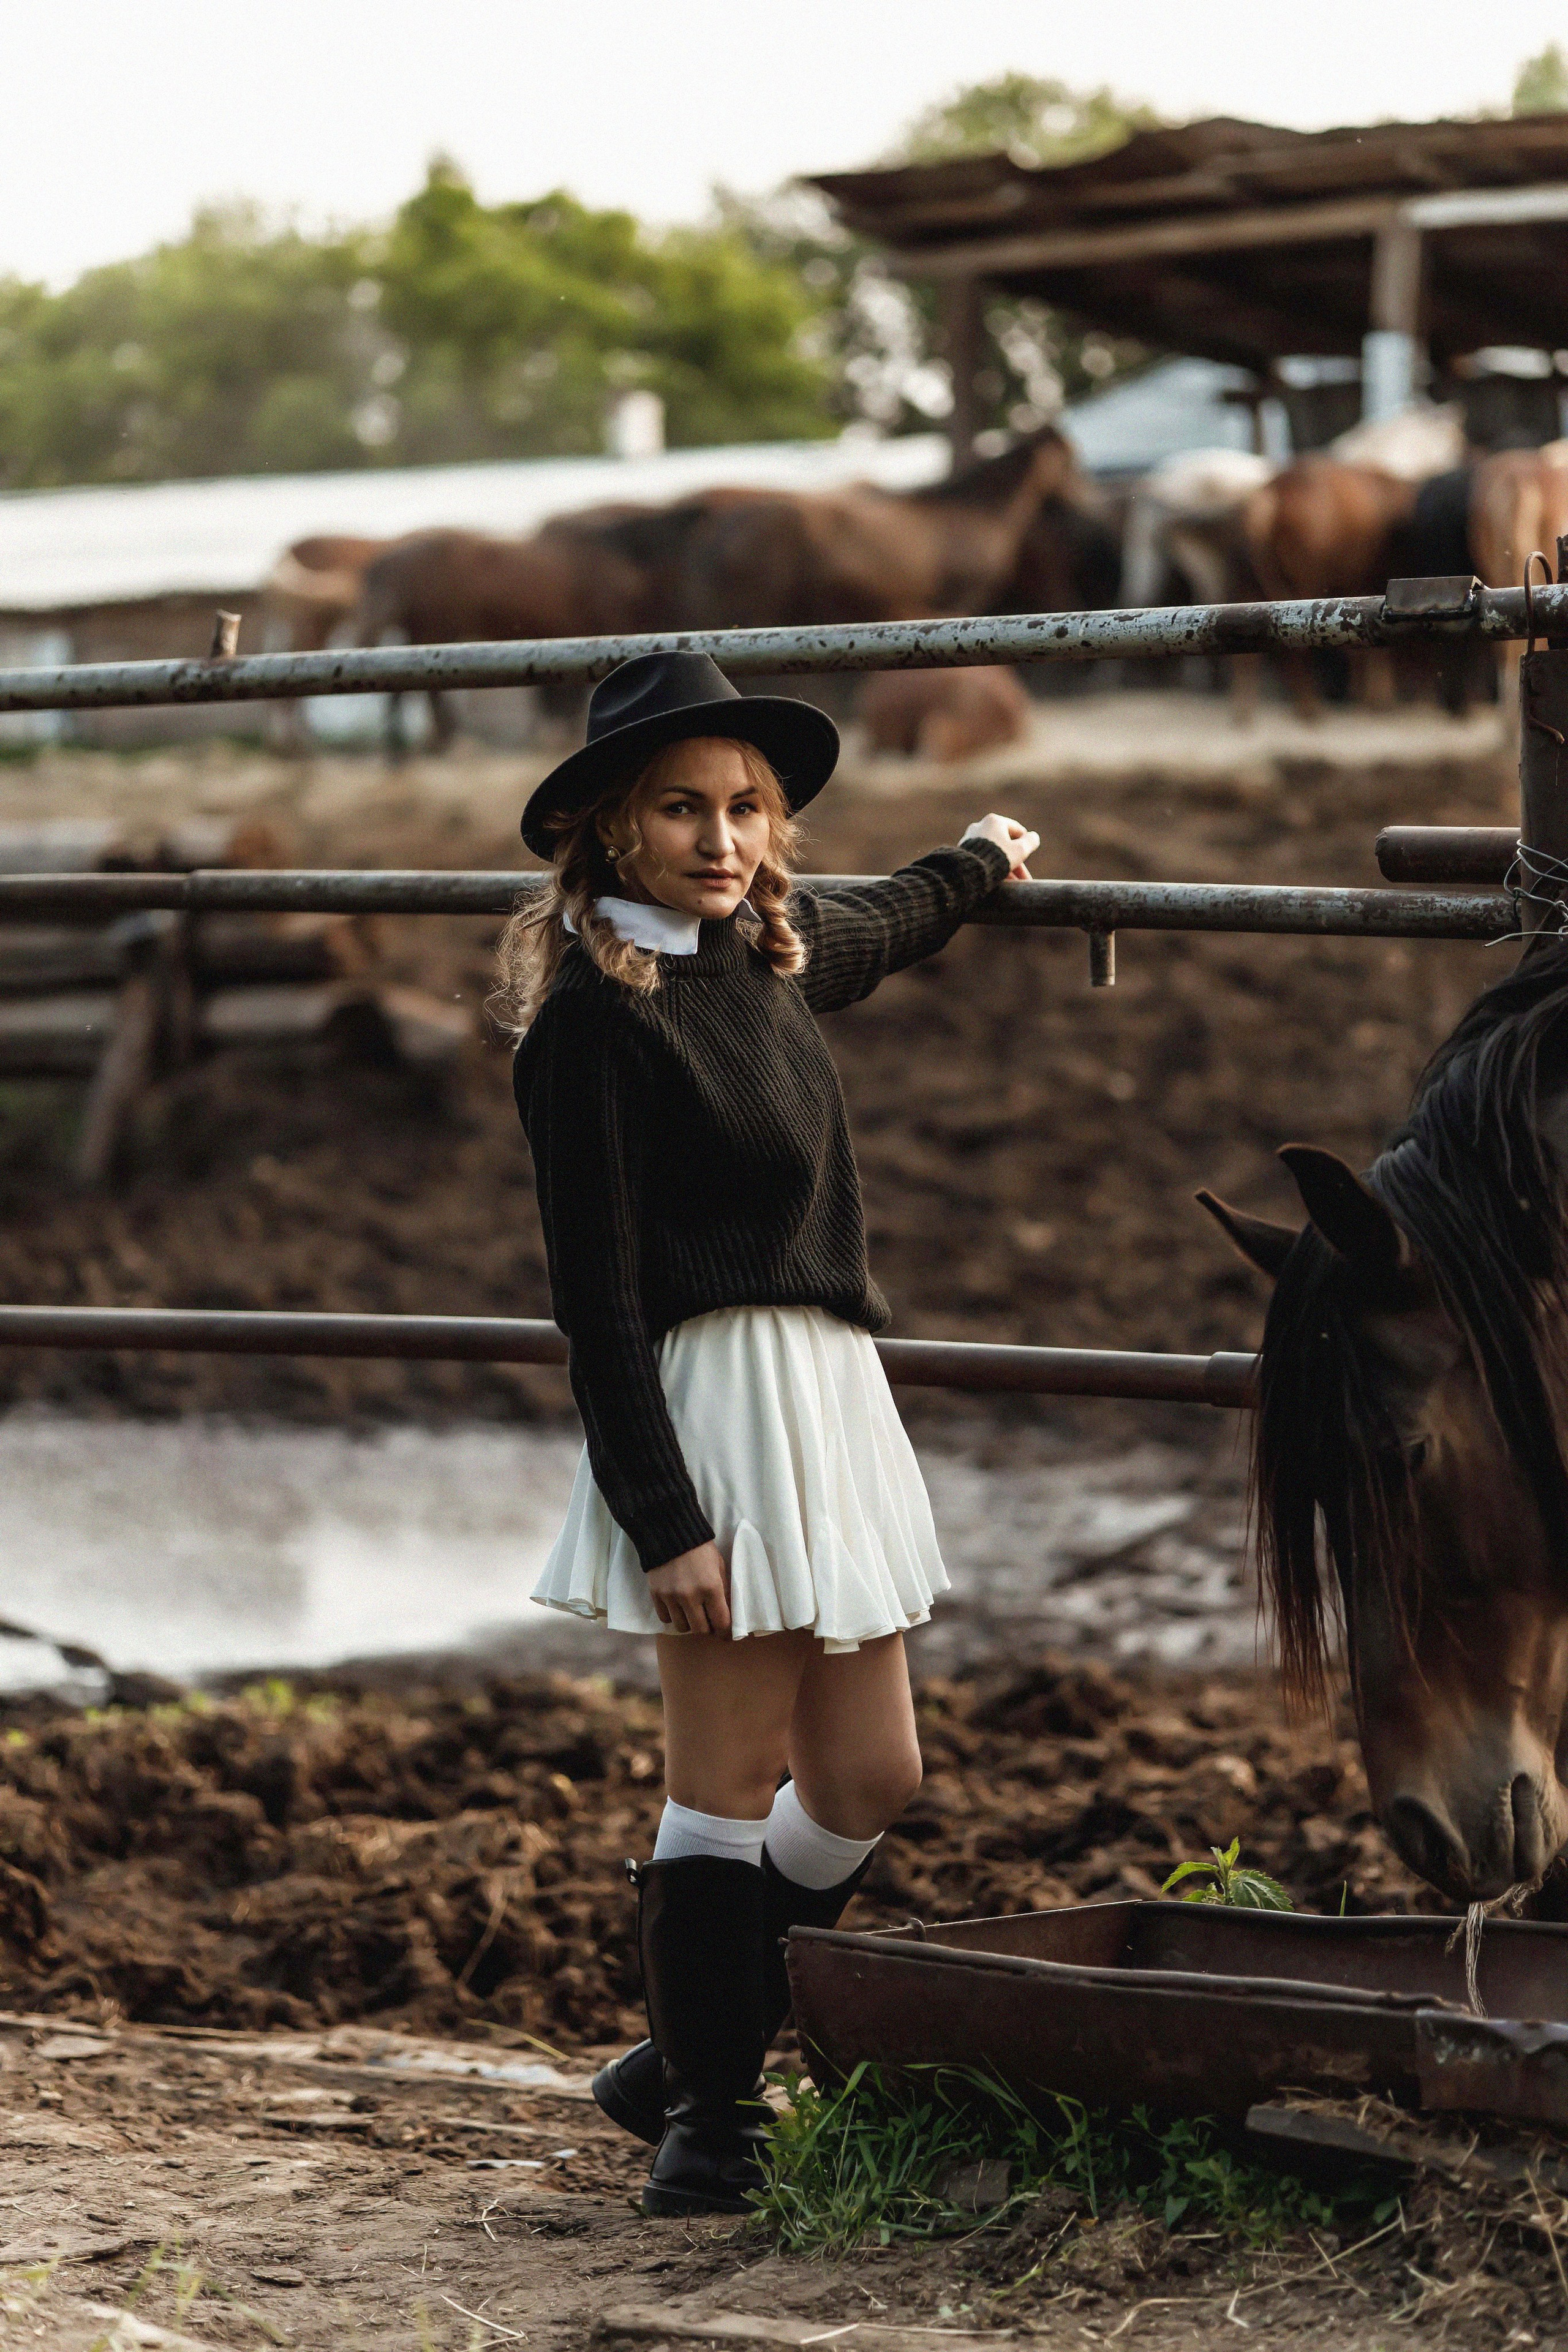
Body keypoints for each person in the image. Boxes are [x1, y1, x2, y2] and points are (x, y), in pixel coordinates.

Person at [497, 650, 1038, 2217]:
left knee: (871, 1775)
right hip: (710, 1409)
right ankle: (709, 2129)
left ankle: (679, 2046)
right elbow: (591, 1308)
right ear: (610, 831)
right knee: (722, 1785)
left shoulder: (773, 955)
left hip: (829, 1395)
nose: (719, 838)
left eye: (745, 809)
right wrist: (665, 1519)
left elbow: (887, 924)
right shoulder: (591, 1029)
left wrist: (979, 865)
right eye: (679, 810)